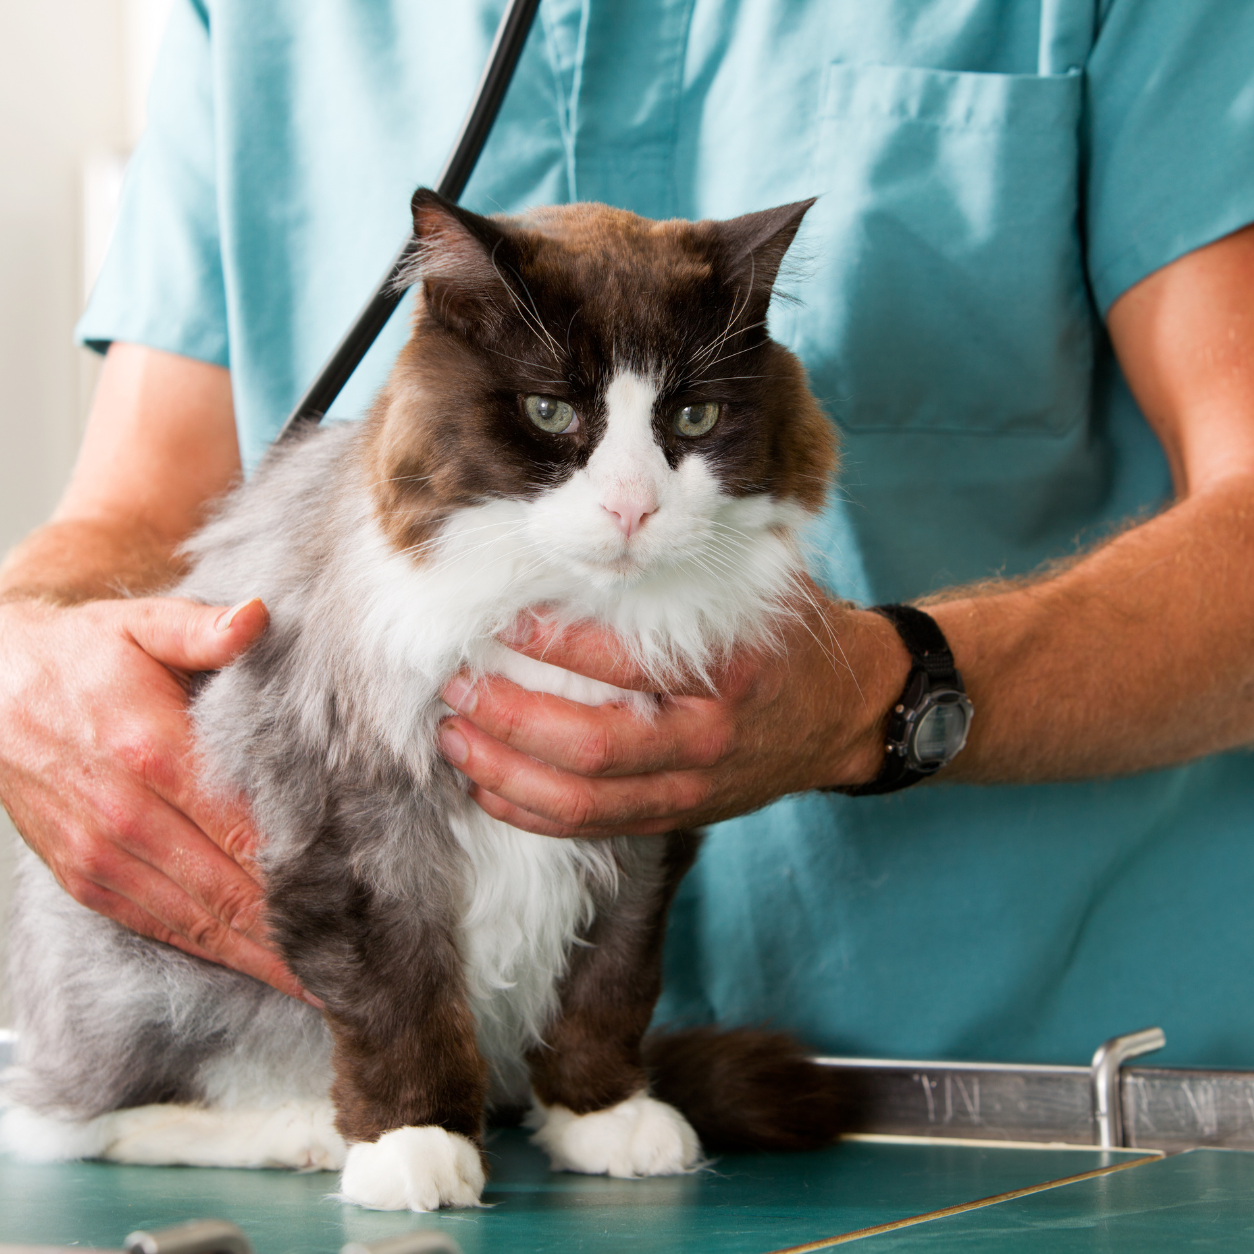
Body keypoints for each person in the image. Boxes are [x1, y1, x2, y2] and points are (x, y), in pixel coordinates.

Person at [2, 0, 1253, 1064]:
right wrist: (21, 661)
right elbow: (132, 516)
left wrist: (881, 693)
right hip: (436, 1104)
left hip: (1024, 1101)